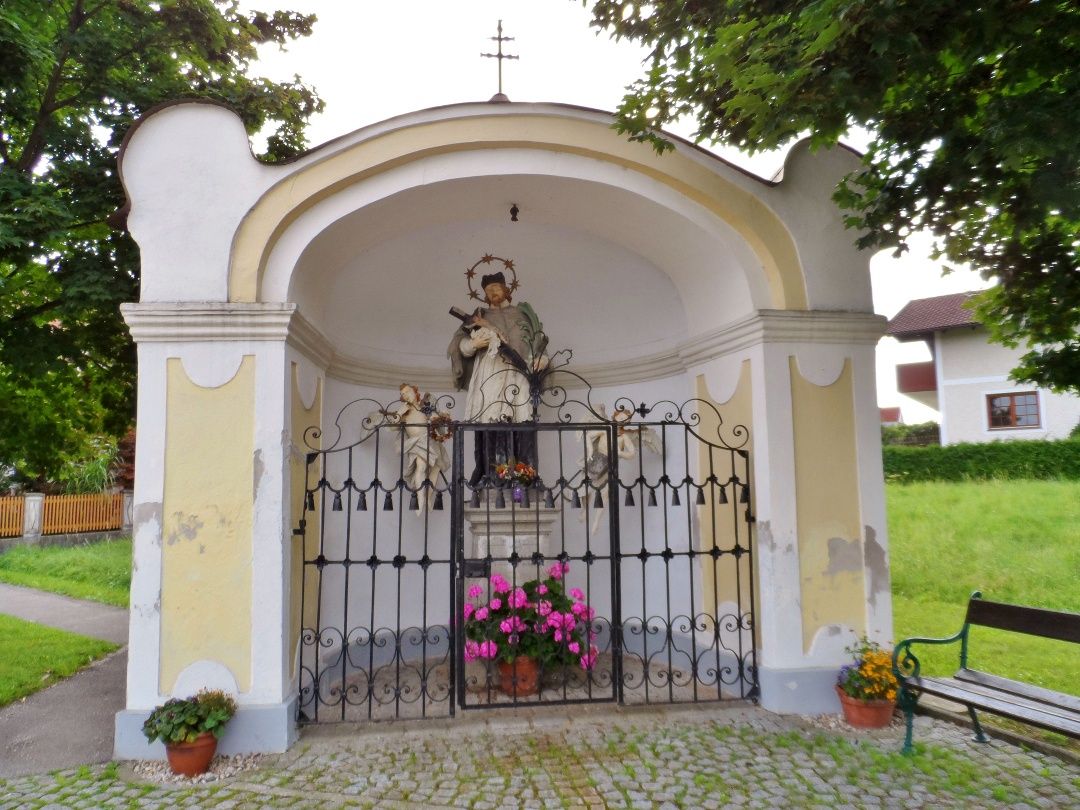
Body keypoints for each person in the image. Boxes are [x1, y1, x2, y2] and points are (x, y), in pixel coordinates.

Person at [447, 272, 547, 486]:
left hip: (519, 372)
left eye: (496, 288)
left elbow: (538, 343)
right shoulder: (479, 316)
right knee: (490, 419)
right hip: (490, 372)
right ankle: (493, 477)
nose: (492, 292)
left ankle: (524, 478)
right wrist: (472, 345)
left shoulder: (522, 315)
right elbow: (458, 343)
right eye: (488, 290)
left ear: (506, 289)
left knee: (522, 419)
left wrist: (542, 359)